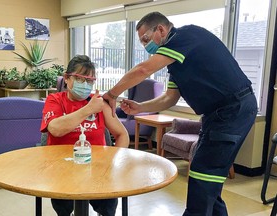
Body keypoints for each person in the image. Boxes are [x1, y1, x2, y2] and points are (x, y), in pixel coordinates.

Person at [103, 12, 258, 216]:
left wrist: (112, 94)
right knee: (208, 180)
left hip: (232, 109)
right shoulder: (176, 64)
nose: (145, 46)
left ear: (161, 29)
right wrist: (140, 107)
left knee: (203, 175)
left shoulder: (185, 37)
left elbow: (143, 70)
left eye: (146, 40)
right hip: (217, 114)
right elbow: (169, 98)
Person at [40, 55, 129, 216]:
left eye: (90, 81)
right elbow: (55, 129)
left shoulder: (100, 104)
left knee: (108, 205)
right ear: (67, 78)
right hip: (62, 169)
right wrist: (88, 109)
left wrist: (112, 161)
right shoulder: (55, 100)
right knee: (63, 207)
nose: (86, 85)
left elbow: (122, 134)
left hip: (97, 169)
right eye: (81, 79)